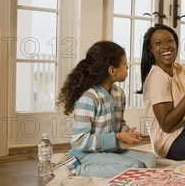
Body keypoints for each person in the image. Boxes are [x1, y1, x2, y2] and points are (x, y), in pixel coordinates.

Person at [56, 41, 155, 178]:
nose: (128, 67)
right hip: (87, 154)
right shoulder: (89, 98)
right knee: (134, 166)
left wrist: (126, 132)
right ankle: (77, 170)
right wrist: (117, 137)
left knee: (150, 160)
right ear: (112, 70)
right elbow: (79, 140)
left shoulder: (119, 93)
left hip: (111, 151)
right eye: (125, 64)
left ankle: (109, 166)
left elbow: (118, 124)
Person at [137, 24, 185, 160]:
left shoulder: (179, 69)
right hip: (171, 146)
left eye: (170, 41)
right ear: (151, 49)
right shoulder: (157, 77)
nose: (166, 46)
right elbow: (166, 125)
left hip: (183, 132)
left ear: (176, 44)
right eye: (158, 43)